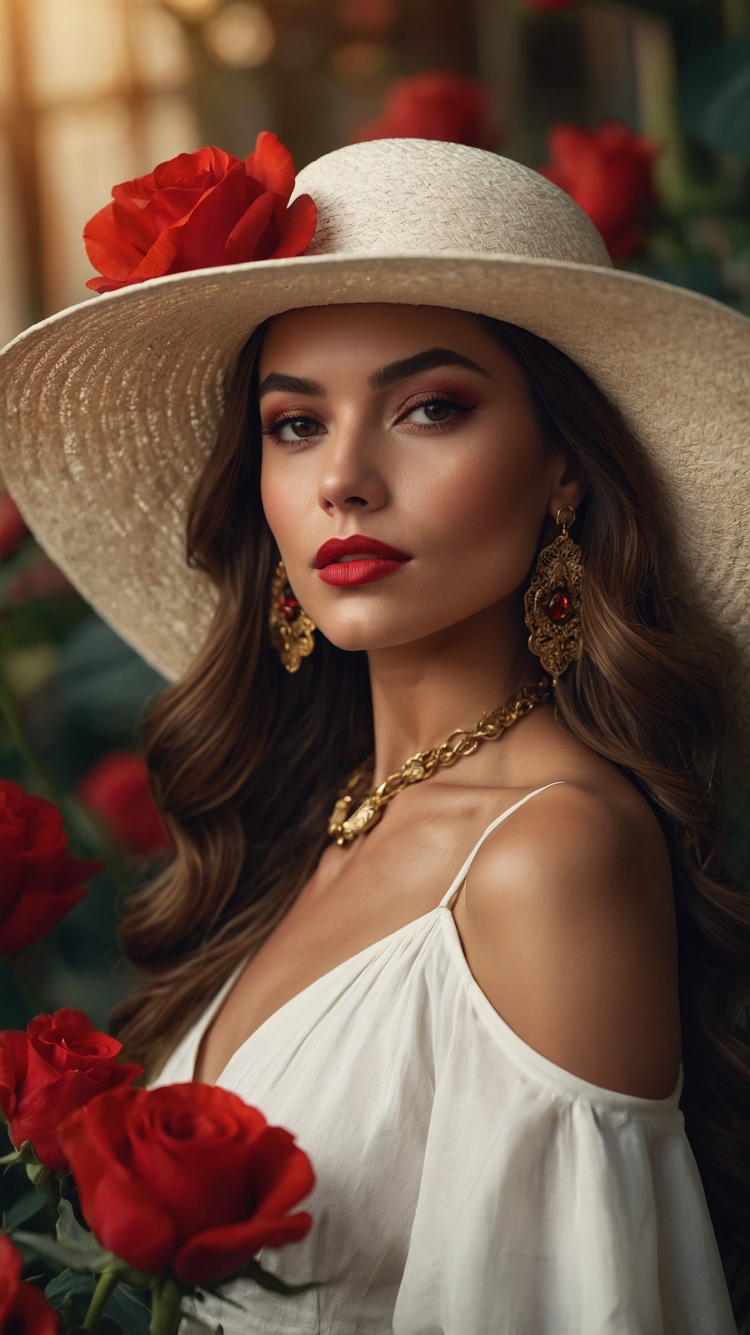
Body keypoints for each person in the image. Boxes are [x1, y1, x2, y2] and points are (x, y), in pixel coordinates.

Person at [0, 136, 748, 1335]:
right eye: (295, 425)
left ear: (563, 467)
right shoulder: (326, 809)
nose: (344, 478)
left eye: (430, 408)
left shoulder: (551, 857)